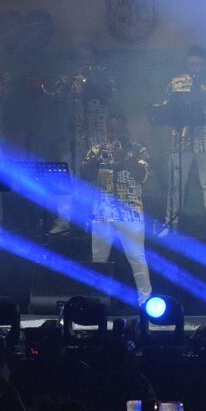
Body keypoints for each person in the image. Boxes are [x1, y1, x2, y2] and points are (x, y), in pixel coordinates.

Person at [156, 46, 206, 237]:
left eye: (197, 64)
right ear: (185, 64)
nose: (194, 68)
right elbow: (165, 106)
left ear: (204, 64)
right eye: (190, 64)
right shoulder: (176, 82)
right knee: (176, 184)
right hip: (181, 139)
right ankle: (170, 224)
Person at [81, 113, 153, 306]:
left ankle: (146, 303)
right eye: (111, 129)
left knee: (137, 258)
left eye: (119, 128)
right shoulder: (97, 149)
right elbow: (84, 175)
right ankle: (96, 304)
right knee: (99, 259)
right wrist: (95, 159)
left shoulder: (138, 150)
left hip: (130, 211)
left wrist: (126, 158)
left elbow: (144, 176)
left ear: (125, 128)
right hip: (102, 211)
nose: (115, 133)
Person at [51, 43, 116, 235]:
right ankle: (64, 221)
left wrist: (91, 80)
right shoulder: (68, 77)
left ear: (94, 58)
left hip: (97, 137)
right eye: (80, 57)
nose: (83, 61)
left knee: (99, 180)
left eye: (87, 57)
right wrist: (72, 82)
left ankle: (98, 222)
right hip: (71, 138)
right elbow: (55, 97)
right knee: (67, 180)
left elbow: (111, 95)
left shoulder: (104, 75)